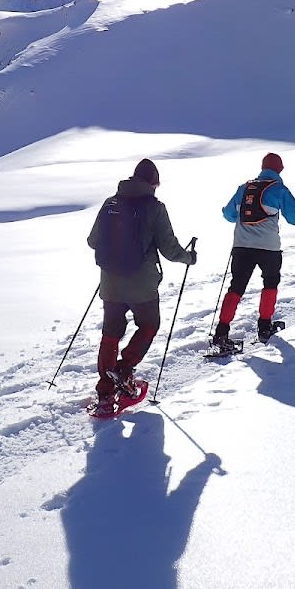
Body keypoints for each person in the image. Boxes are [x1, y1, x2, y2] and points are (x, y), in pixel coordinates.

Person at [87, 158, 196, 417]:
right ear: (152, 184)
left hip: (110, 281)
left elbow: (93, 241)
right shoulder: (155, 208)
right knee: (148, 325)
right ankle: (124, 371)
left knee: (110, 332)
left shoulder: (110, 203)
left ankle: (105, 392)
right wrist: (189, 258)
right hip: (142, 284)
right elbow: (170, 249)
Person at [212, 152, 295, 353]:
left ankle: (221, 333)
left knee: (236, 287)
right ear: (279, 169)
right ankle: (265, 327)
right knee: (270, 283)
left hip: (241, 246)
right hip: (269, 248)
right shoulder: (279, 189)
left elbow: (228, 215)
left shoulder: (244, 188)